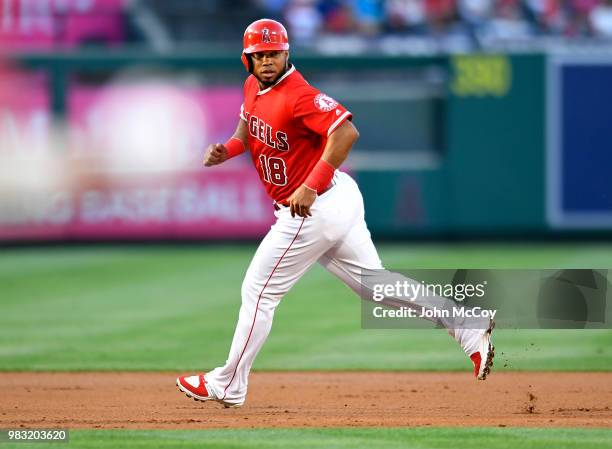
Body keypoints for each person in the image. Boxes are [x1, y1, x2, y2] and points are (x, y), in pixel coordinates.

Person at [176, 18, 494, 408]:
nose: (267, 60)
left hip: (313, 207)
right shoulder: (252, 87)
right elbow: (246, 132)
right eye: (259, 55)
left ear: (286, 52)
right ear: (248, 60)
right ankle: (466, 324)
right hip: (334, 200)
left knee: (258, 291)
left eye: (274, 52)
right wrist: (227, 150)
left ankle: (228, 383)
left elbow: (346, 133)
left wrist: (310, 185)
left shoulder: (299, 94)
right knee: (376, 286)